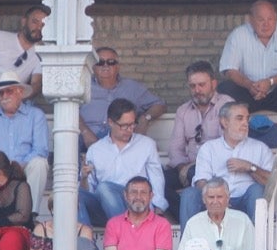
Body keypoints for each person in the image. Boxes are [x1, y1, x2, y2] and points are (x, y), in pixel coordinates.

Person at [181, 102, 272, 225]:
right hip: (215, 201)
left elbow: (272, 183)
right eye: (239, 118)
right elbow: (201, 181)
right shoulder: (209, 148)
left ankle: (258, 242)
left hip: (245, 200)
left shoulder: (260, 148)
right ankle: (188, 243)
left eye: (247, 118)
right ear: (224, 122)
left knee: (256, 190)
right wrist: (217, 197)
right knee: (189, 194)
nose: (245, 123)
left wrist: (250, 167)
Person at [78, 97, 165, 225]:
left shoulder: (147, 145)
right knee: (75, 196)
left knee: (104, 188)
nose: (130, 129)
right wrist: (84, 178)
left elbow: (156, 178)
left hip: (136, 204)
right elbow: (89, 191)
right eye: (124, 126)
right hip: (103, 208)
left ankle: (126, 233)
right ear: (110, 122)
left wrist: (158, 208)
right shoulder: (95, 150)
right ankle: (86, 242)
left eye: (132, 124)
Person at [218, 0, 277, 113]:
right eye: (261, 20)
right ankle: (232, 128)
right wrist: (249, 85)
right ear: (251, 20)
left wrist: (270, 82)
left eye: (270, 19)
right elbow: (230, 70)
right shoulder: (238, 35)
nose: (266, 24)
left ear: (275, 17)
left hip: (276, 95)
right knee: (225, 88)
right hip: (248, 96)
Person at [0, 71, 49, 202]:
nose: (4, 96)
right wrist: (1, 169)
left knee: (39, 163)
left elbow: (40, 149)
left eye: (9, 91)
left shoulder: (36, 115)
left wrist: (17, 166)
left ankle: (30, 214)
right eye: (0, 93)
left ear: (20, 92)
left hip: (25, 166)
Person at [165, 60, 234, 198]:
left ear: (213, 84)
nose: (197, 90)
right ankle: (180, 211)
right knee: (156, 181)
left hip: (217, 169)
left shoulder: (227, 105)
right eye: (192, 86)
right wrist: (181, 168)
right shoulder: (183, 111)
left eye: (202, 85)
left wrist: (193, 167)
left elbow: (227, 145)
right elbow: (175, 147)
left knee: (194, 173)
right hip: (187, 169)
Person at [79, 47, 166, 147]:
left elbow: (159, 105)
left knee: (146, 146)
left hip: (122, 139)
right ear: (93, 66)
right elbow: (70, 110)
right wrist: (85, 131)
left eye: (111, 62)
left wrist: (145, 119)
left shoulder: (132, 87)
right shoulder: (83, 86)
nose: (105, 66)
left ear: (118, 66)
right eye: (100, 62)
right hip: (88, 138)